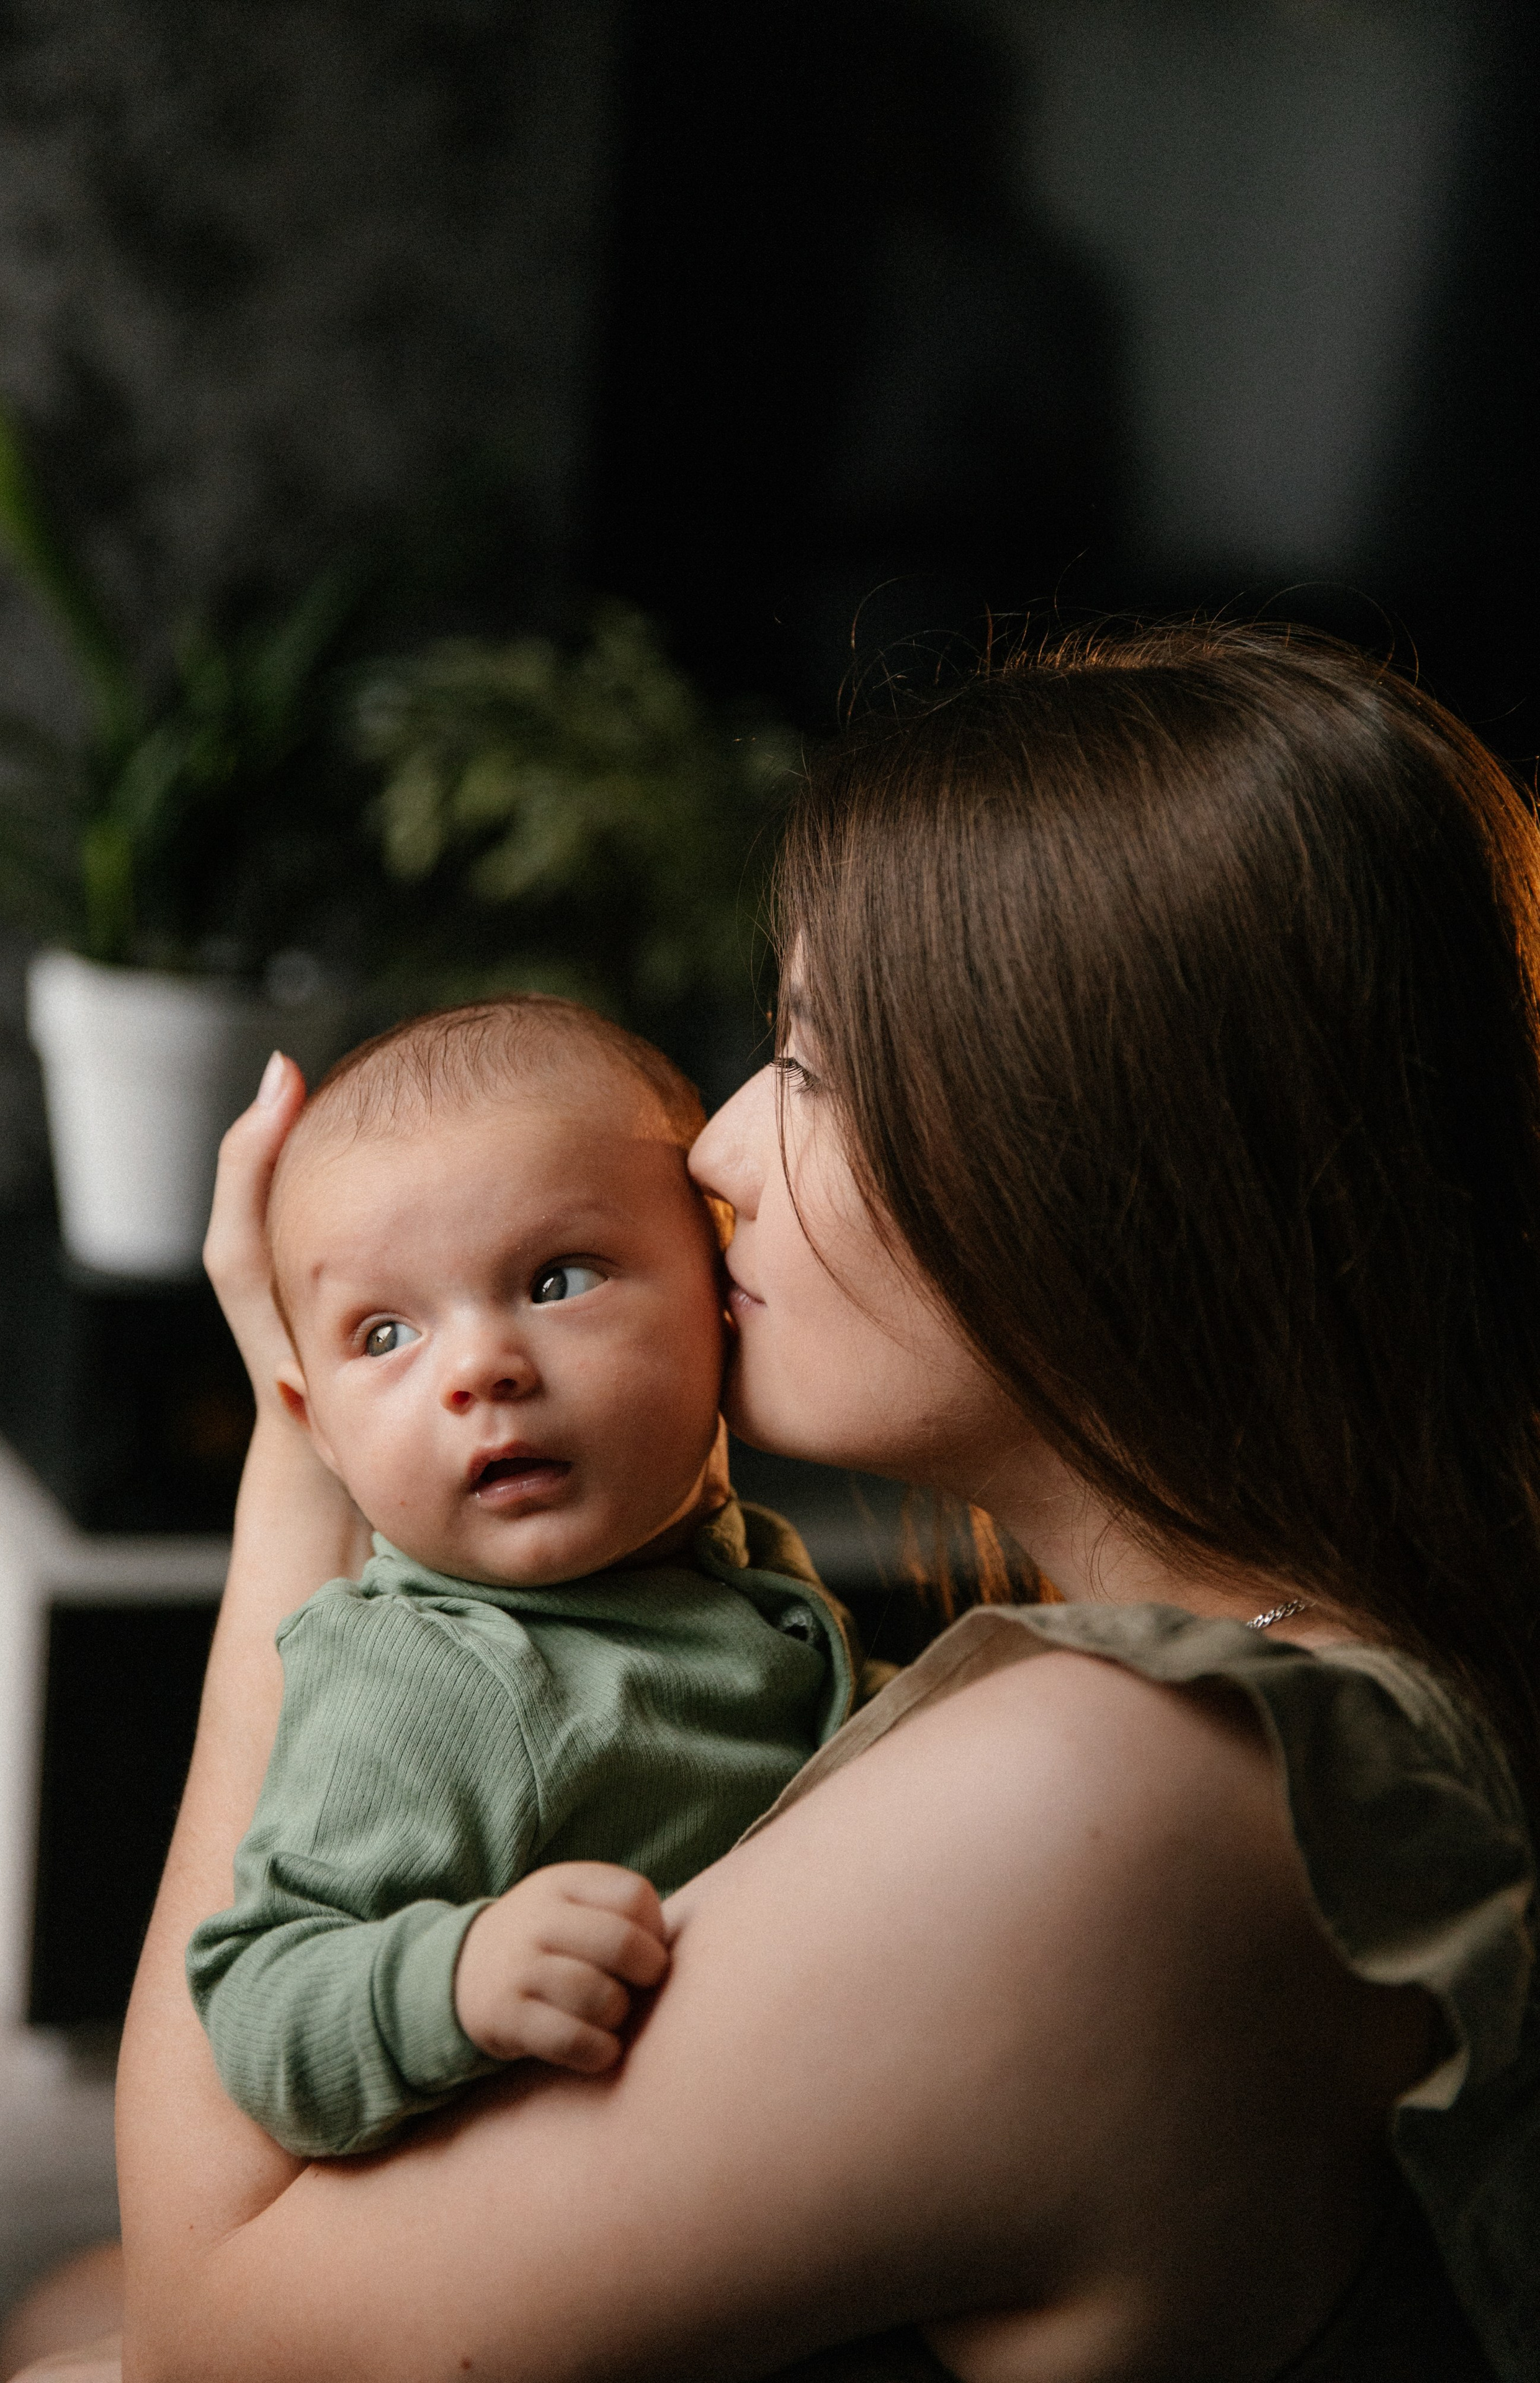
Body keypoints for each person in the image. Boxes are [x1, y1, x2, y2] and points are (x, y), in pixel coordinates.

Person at [93, 623, 1534, 2383]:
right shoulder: (1293, 1687)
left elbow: (215, 2334)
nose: (712, 1151)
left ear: (1088, 1157)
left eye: (814, 1064)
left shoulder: (1130, 1794)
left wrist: (304, 1448)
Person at [186, 995, 863, 2158]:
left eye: (556, 1281)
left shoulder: (718, 1572)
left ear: (720, 1290)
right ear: (318, 1427)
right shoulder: (428, 1677)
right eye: (386, 1336)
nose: (479, 1369)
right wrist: (453, 1977)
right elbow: (258, 1999)